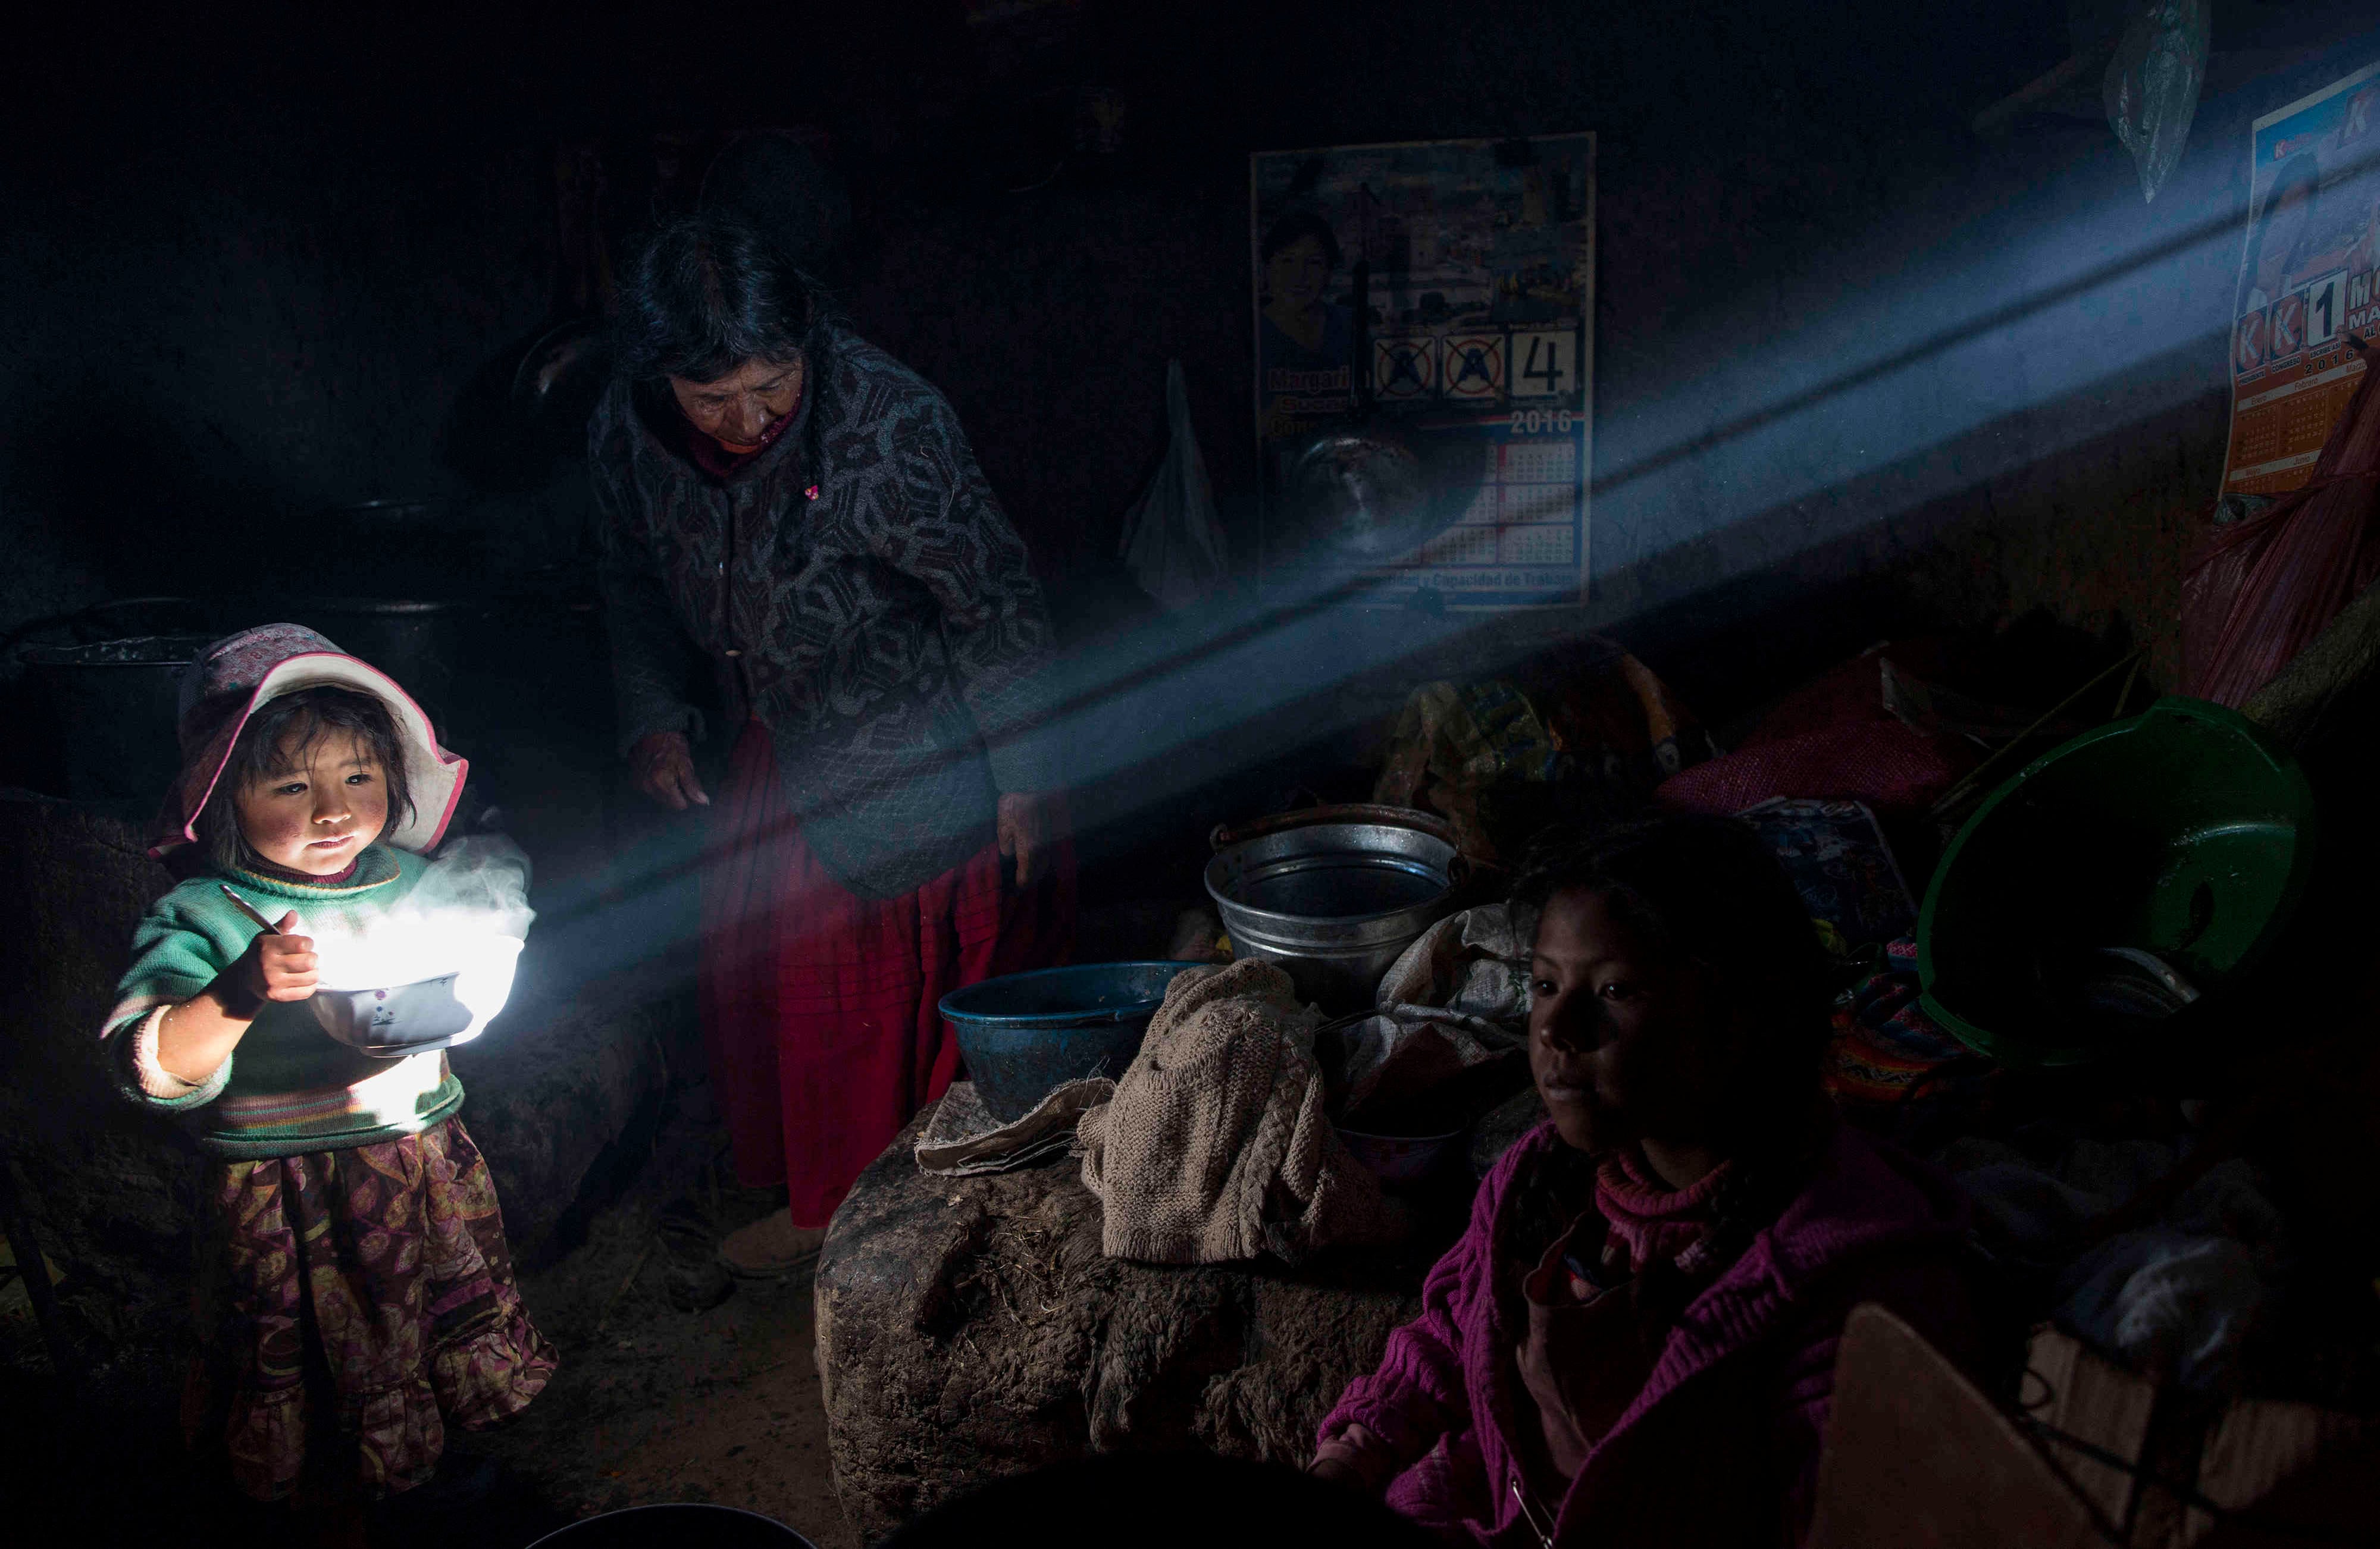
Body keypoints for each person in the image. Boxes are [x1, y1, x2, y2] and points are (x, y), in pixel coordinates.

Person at [593, 214, 1074, 1276]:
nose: (748, 418)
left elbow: (992, 598)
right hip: (771, 727)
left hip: (914, 736)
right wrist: (656, 712)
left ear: (805, 340)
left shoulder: (890, 423)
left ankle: (863, 1207)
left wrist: (1027, 773)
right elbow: (628, 577)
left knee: (853, 975)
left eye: (773, 383)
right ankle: (815, 1183)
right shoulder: (630, 430)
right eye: (712, 398)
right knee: (758, 966)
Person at [1309, 815, 1977, 1547]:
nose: (1556, 1029)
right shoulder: (1541, 1188)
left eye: (1615, 990)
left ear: (1740, 1016)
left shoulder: (1852, 1284)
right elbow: (1454, 1331)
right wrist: (1352, 1457)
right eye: (1544, 984)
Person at [102, 624, 554, 1513]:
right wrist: (239, 991)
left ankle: (427, 1484)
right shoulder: (206, 916)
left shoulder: (408, 882)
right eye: (290, 785)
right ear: (224, 797)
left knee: (421, 1345)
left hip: (414, 1173)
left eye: (358, 777)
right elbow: (145, 1067)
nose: (334, 811)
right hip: (286, 1201)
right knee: (313, 1388)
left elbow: (475, 970)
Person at [1258, 208, 1355, 379]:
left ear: (1329, 272)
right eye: (1287, 261)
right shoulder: (1253, 331)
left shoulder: (1351, 325)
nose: (1299, 274)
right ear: (1267, 268)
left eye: (1314, 263)